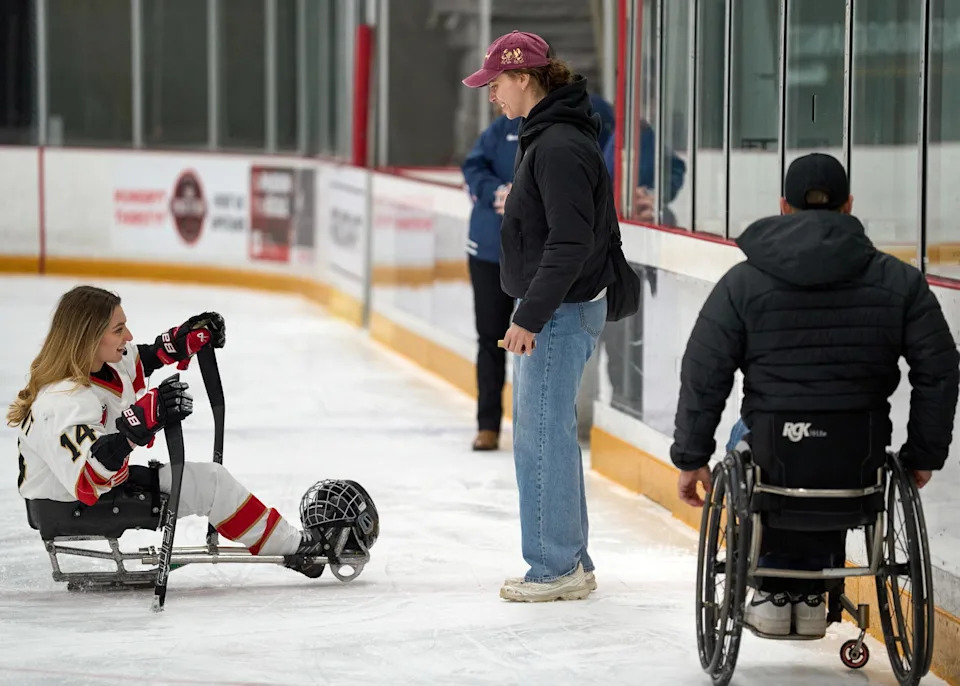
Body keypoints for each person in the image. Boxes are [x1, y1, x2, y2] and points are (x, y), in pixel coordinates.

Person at [670, 153, 959, 636]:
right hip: (858, 458)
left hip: (775, 449)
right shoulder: (901, 282)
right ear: (849, 206)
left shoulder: (743, 282)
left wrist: (690, 455)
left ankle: (773, 589)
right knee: (833, 448)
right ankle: (811, 593)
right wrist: (923, 454)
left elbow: (705, 372)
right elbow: (941, 368)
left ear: (783, 207)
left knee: (755, 441)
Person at [9, 285, 331, 578]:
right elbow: (88, 481)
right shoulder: (62, 401)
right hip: (68, 507)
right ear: (89, 338)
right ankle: (296, 547)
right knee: (210, 485)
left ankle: (289, 543)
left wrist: (184, 339)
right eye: (118, 330)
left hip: (88, 492)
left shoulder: (99, 365)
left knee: (211, 482)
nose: (128, 335)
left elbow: (144, 357)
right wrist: (136, 427)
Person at [462, 30, 616, 602]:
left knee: (541, 439)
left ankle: (555, 568)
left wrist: (527, 315)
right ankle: (570, 557)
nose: (492, 96)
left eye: (496, 84)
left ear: (523, 77)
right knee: (549, 436)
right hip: (559, 309)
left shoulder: (556, 146)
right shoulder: (550, 135)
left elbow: (569, 242)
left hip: (557, 313)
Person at [462, 94, 614, 452]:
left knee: (533, 342)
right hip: (489, 250)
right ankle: (488, 423)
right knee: (491, 337)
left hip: (534, 258)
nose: (494, 96)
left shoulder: (563, 135)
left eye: (499, 84)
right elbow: (473, 167)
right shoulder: (502, 129)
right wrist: (494, 192)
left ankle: (534, 422)